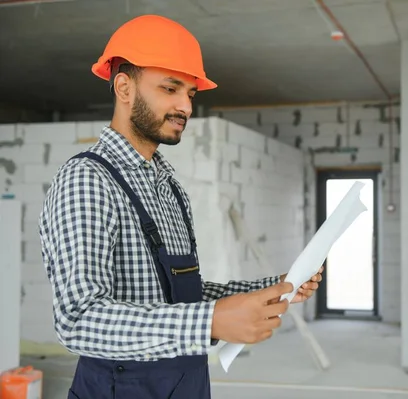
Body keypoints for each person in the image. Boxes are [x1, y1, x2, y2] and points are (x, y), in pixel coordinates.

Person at [38, 14, 323, 399]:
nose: (185, 107)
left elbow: (183, 294)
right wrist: (210, 321)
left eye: (190, 93)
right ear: (124, 87)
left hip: (186, 386)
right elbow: (79, 319)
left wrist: (275, 287)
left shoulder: (169, 186)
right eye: (170, 88)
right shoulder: (87, 180)